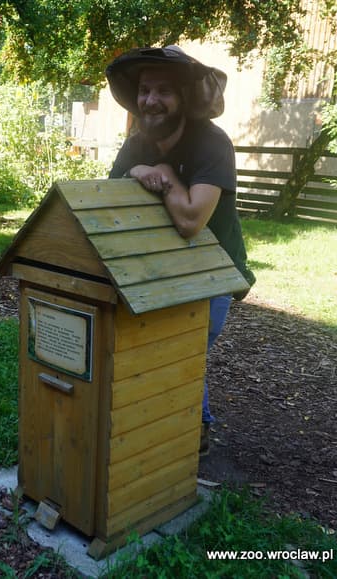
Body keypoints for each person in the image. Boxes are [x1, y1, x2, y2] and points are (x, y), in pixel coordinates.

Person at [105, 45, 255, 455]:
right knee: (155, 349)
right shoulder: (137, 145)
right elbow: (109, 200)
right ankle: (159, 425)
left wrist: (166, 174)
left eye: (164, 91)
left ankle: (194, 430)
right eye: (145, 90)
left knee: (179, 350)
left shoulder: (212, 143)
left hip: (213, 271)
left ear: (185, 99)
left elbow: (190, 221)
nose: (150, 100)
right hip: (160, 267)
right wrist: (139, 169)